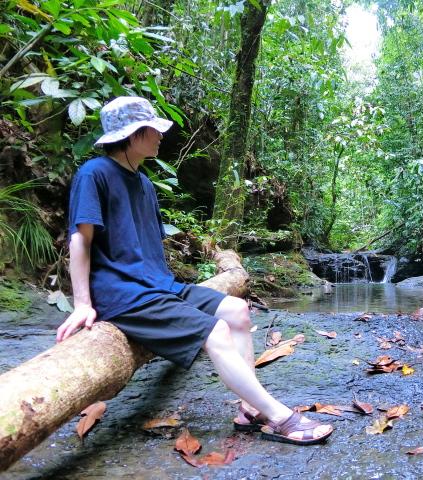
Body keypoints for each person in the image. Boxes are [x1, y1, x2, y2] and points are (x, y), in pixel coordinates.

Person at [57, 96, 333, 445]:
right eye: (154, 130)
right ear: (133, 135)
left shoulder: (143, 183)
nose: (161, 136)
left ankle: (250, 409)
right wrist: (83, 303)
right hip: (123, 293)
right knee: (215, 331)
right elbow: (80, 240)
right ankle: (280, 417)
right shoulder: (94, 174)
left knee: (237, 310)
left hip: (157, 285)